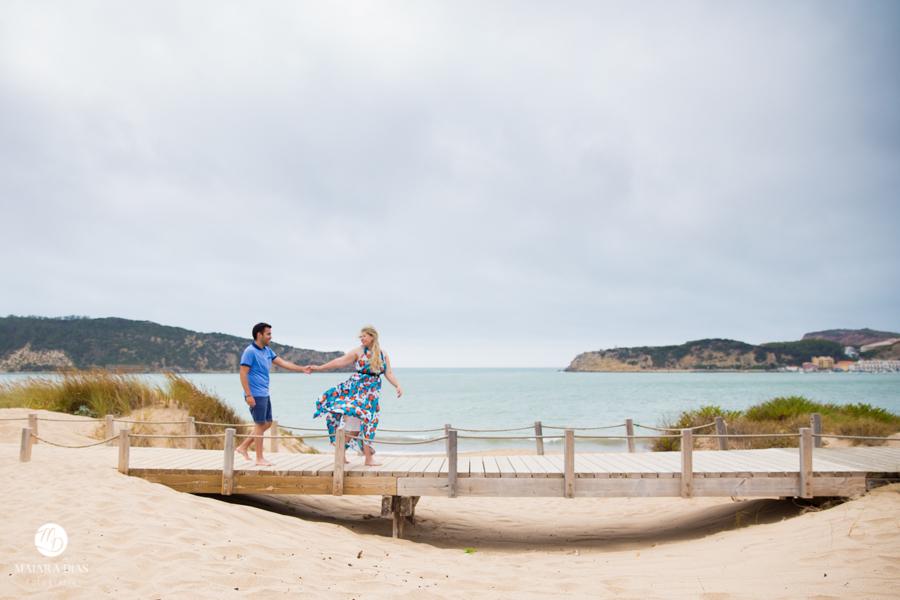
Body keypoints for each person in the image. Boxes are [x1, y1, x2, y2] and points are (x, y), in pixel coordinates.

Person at [311, 325, 402, 466]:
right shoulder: (358, 352)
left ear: (373, 337)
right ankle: (368, 458)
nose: (362, 338)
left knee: (356, 426)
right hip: (358, 391)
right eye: (361, 336)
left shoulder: (382, 354)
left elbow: (388, 373)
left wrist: (397, 385)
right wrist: (320, 368)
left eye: (364, 336)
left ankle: (342, 455)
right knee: (365, 421)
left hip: (372, 394)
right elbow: (339, 362)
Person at [237, 322, 312, 466]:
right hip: (255, 394)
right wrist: (248, 395)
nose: (271, 337)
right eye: (268, 334)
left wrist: (302, 369)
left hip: (264, 393)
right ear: (259, 335)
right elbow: (243, 373)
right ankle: (259, 458)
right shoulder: (249, 352)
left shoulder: (267, 351)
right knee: (259, 424)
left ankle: (243, 447)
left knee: (268, 423)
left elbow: (283, 363)